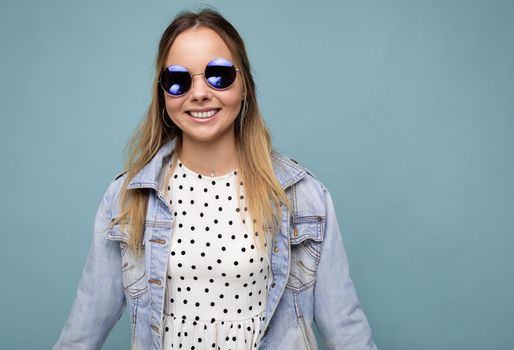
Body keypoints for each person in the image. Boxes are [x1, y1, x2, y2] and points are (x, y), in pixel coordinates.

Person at [53, 7, 377, 350]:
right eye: (177, 80)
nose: (199, 93)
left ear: (244, 87)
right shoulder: (126, 198)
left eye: (218, 75)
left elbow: (347, 329)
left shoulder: (303, 197)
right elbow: (82, 331)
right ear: (163, 95)